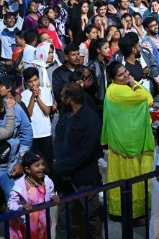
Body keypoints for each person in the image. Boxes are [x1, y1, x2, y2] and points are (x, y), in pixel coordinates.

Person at [101, 62, 154, 219]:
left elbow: (149, 98)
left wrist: (132, 82)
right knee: (128, 178)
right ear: (112, 79)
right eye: (120, 75)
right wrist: (132, 83)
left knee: (137, 176)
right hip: (124, 142)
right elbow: (143, 96)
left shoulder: (127, 84)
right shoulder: (115, 91)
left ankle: (136, 211)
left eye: (125, 72)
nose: (125, 75)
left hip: (135, 137)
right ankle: (128, 214)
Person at [53, 82, 103, 239]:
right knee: (63, 217)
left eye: (62, 96)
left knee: (90, 214)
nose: (60, 99)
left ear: (69, 98)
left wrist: (63, 166)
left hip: (83, 177)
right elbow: (58, 139)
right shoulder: (65, 115)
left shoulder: (91, 118)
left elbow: (85, 152)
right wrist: (61, 166)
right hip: (64, 177)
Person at [7, 150, 59, 239]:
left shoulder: (47, 181)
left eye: (43, 164)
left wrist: (53, 196)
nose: (41, 167)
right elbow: (11, 204)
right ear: (27, 169)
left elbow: (49, 193)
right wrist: (22, 207)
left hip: (42, 223)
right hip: (25, 225)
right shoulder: (21, 185)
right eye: (37, 165)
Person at [21, 67, 55, 169]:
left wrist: (37, 98)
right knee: (34, 160)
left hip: (45, 132)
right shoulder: (24, 95)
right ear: (26, 83)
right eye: (30, 82)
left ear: (39, 79)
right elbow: (28, 114)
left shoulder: (46, 91)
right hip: (33, 134)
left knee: (48, 160)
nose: (33, 84)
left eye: (35, 80)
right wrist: (32, 97)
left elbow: (47, 111)